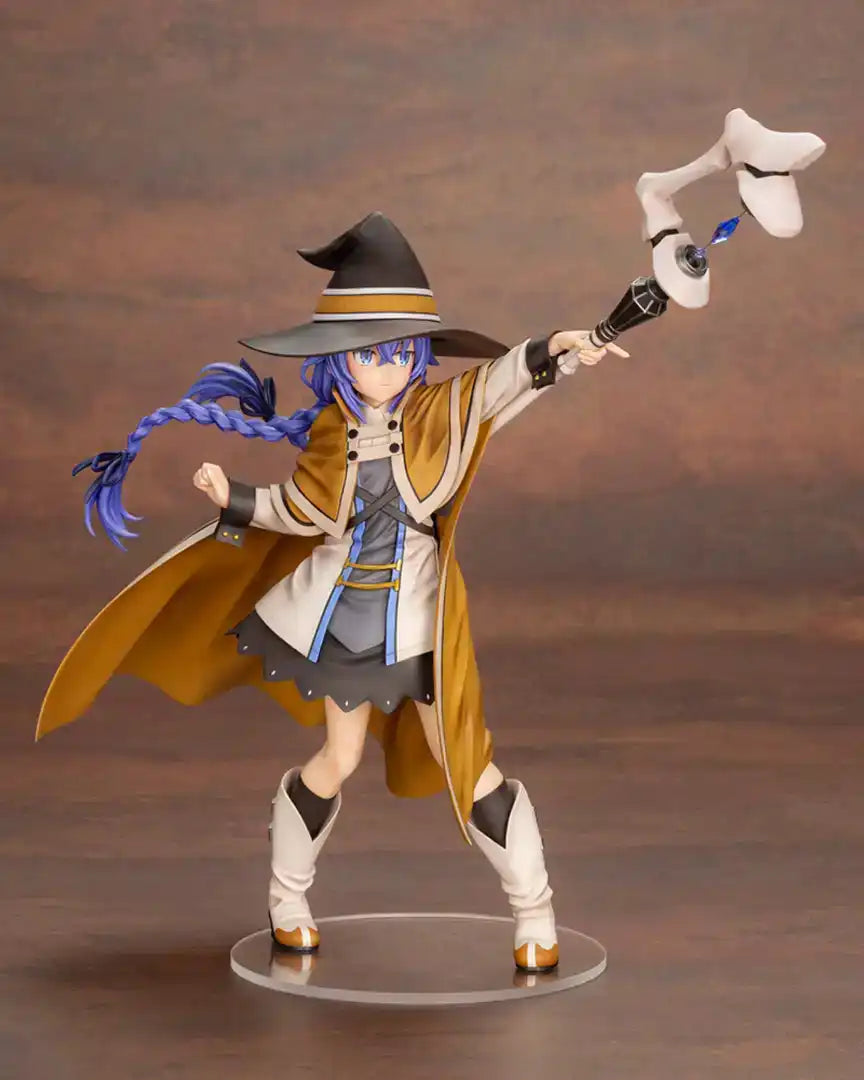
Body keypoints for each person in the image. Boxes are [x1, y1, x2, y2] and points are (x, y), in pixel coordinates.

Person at [37, 211, 628, 974]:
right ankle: (287, 901)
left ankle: (535, 914)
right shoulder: (328, 435)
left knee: (468, 763)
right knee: (338, 757)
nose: (385, 369)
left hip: (421, 619)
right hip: (344, 616)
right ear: (339, 360)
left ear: (419, 356)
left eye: (399, 354)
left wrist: (564, 348)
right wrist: (234, 500)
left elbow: (504, 382)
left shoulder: (438, 411)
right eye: (369, 355)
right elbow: (301, 508)